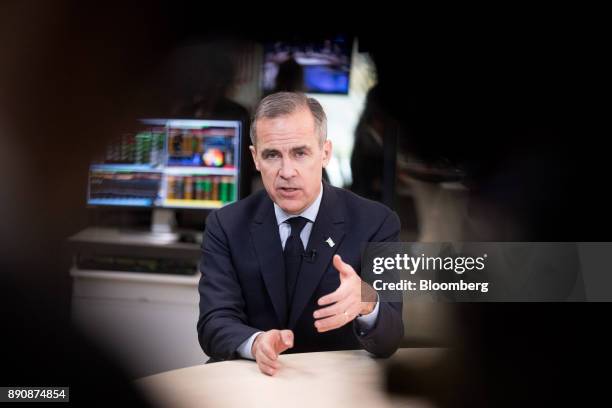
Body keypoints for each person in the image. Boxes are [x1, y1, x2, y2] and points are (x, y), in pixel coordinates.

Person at [197, 92, 404, 375]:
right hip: (252, 382)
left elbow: (391, 336)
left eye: (300, 153)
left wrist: (367, 301)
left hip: (337, 388)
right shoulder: (225, 224)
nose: (287, 171)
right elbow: (214, 322)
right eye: (272, 155)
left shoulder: (377, 222)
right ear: (255, 158)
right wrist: (256, 343)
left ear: (325, 153)